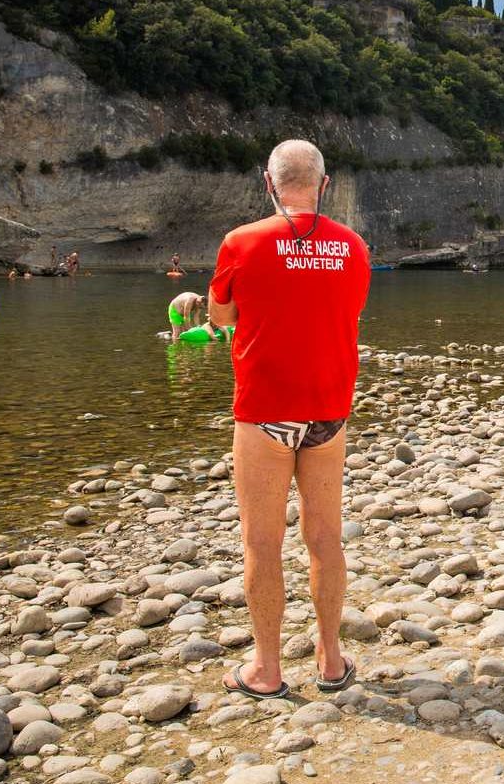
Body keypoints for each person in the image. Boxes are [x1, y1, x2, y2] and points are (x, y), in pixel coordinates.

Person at [208, 139, 372, 699]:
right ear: (324, 185)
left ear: (268, 183)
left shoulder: (241, 241)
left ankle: (267, 669)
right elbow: (347, 310)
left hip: (264, 412)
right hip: (328, 411)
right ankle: (330, 661)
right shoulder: (353, 246)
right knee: (326, 539)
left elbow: (220, 315)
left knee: (262, 543)